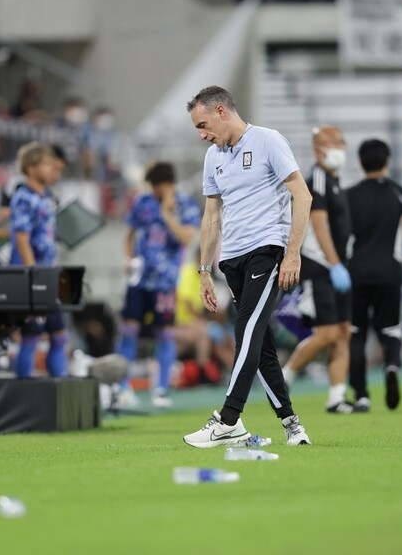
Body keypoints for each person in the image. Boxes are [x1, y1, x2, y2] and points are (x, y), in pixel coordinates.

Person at [183, 85, 312, 448]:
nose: (202, 134)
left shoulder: (269, 141)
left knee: (247, 334)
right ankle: (292, 425)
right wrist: (205, 271)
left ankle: (227, 420)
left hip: (267, 251)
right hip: (232, 261)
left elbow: (302, 195)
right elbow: (211, 216)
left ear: (222, 111)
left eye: (203, 124)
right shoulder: (214, 157)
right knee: (261, 345)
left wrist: (292, 253)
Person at [346, 139, 402, 412]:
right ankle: (391, 366)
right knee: (391, 329)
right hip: (390, 272)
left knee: (355, 333)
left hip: (355, 272)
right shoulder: (400, 194)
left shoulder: (349, 196)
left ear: (359, 162)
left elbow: (339, 236)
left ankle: (361, 395)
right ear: (387, 161)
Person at [280, 125, 354, 413]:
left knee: (344, 331)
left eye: (340, 140)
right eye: (332, 141)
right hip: (321, 266)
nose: (339, 146)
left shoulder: (334, 180)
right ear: (317, 148)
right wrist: (335, 264)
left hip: (338, 265)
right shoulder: (319, 179)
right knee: (326, 333)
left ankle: (337, 396)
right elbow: (319, 224)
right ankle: (286, 375)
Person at [115, 162, 199, 408]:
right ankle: (122, 388)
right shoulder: (142, 202)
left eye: (157, 185)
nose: (153, 190)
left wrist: (166, 214)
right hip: (140, 279)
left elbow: (186, 238)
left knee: (164, 334)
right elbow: (129, 236)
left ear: (168, 184)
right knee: (128, 330)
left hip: (164, 281)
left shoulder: (183, 204)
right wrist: (130, 259)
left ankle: (160, 388)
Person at [9, 142, 68, 378]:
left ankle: (59, 387)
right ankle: (23, 390)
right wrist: (32, 271)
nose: (50, 167)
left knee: (60, 335)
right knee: (31, 335)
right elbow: (21, 238)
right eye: (44, 163)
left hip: (49, 275)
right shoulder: (23, 197)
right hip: (33, 277)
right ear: (31, 168)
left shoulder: (45, 197)